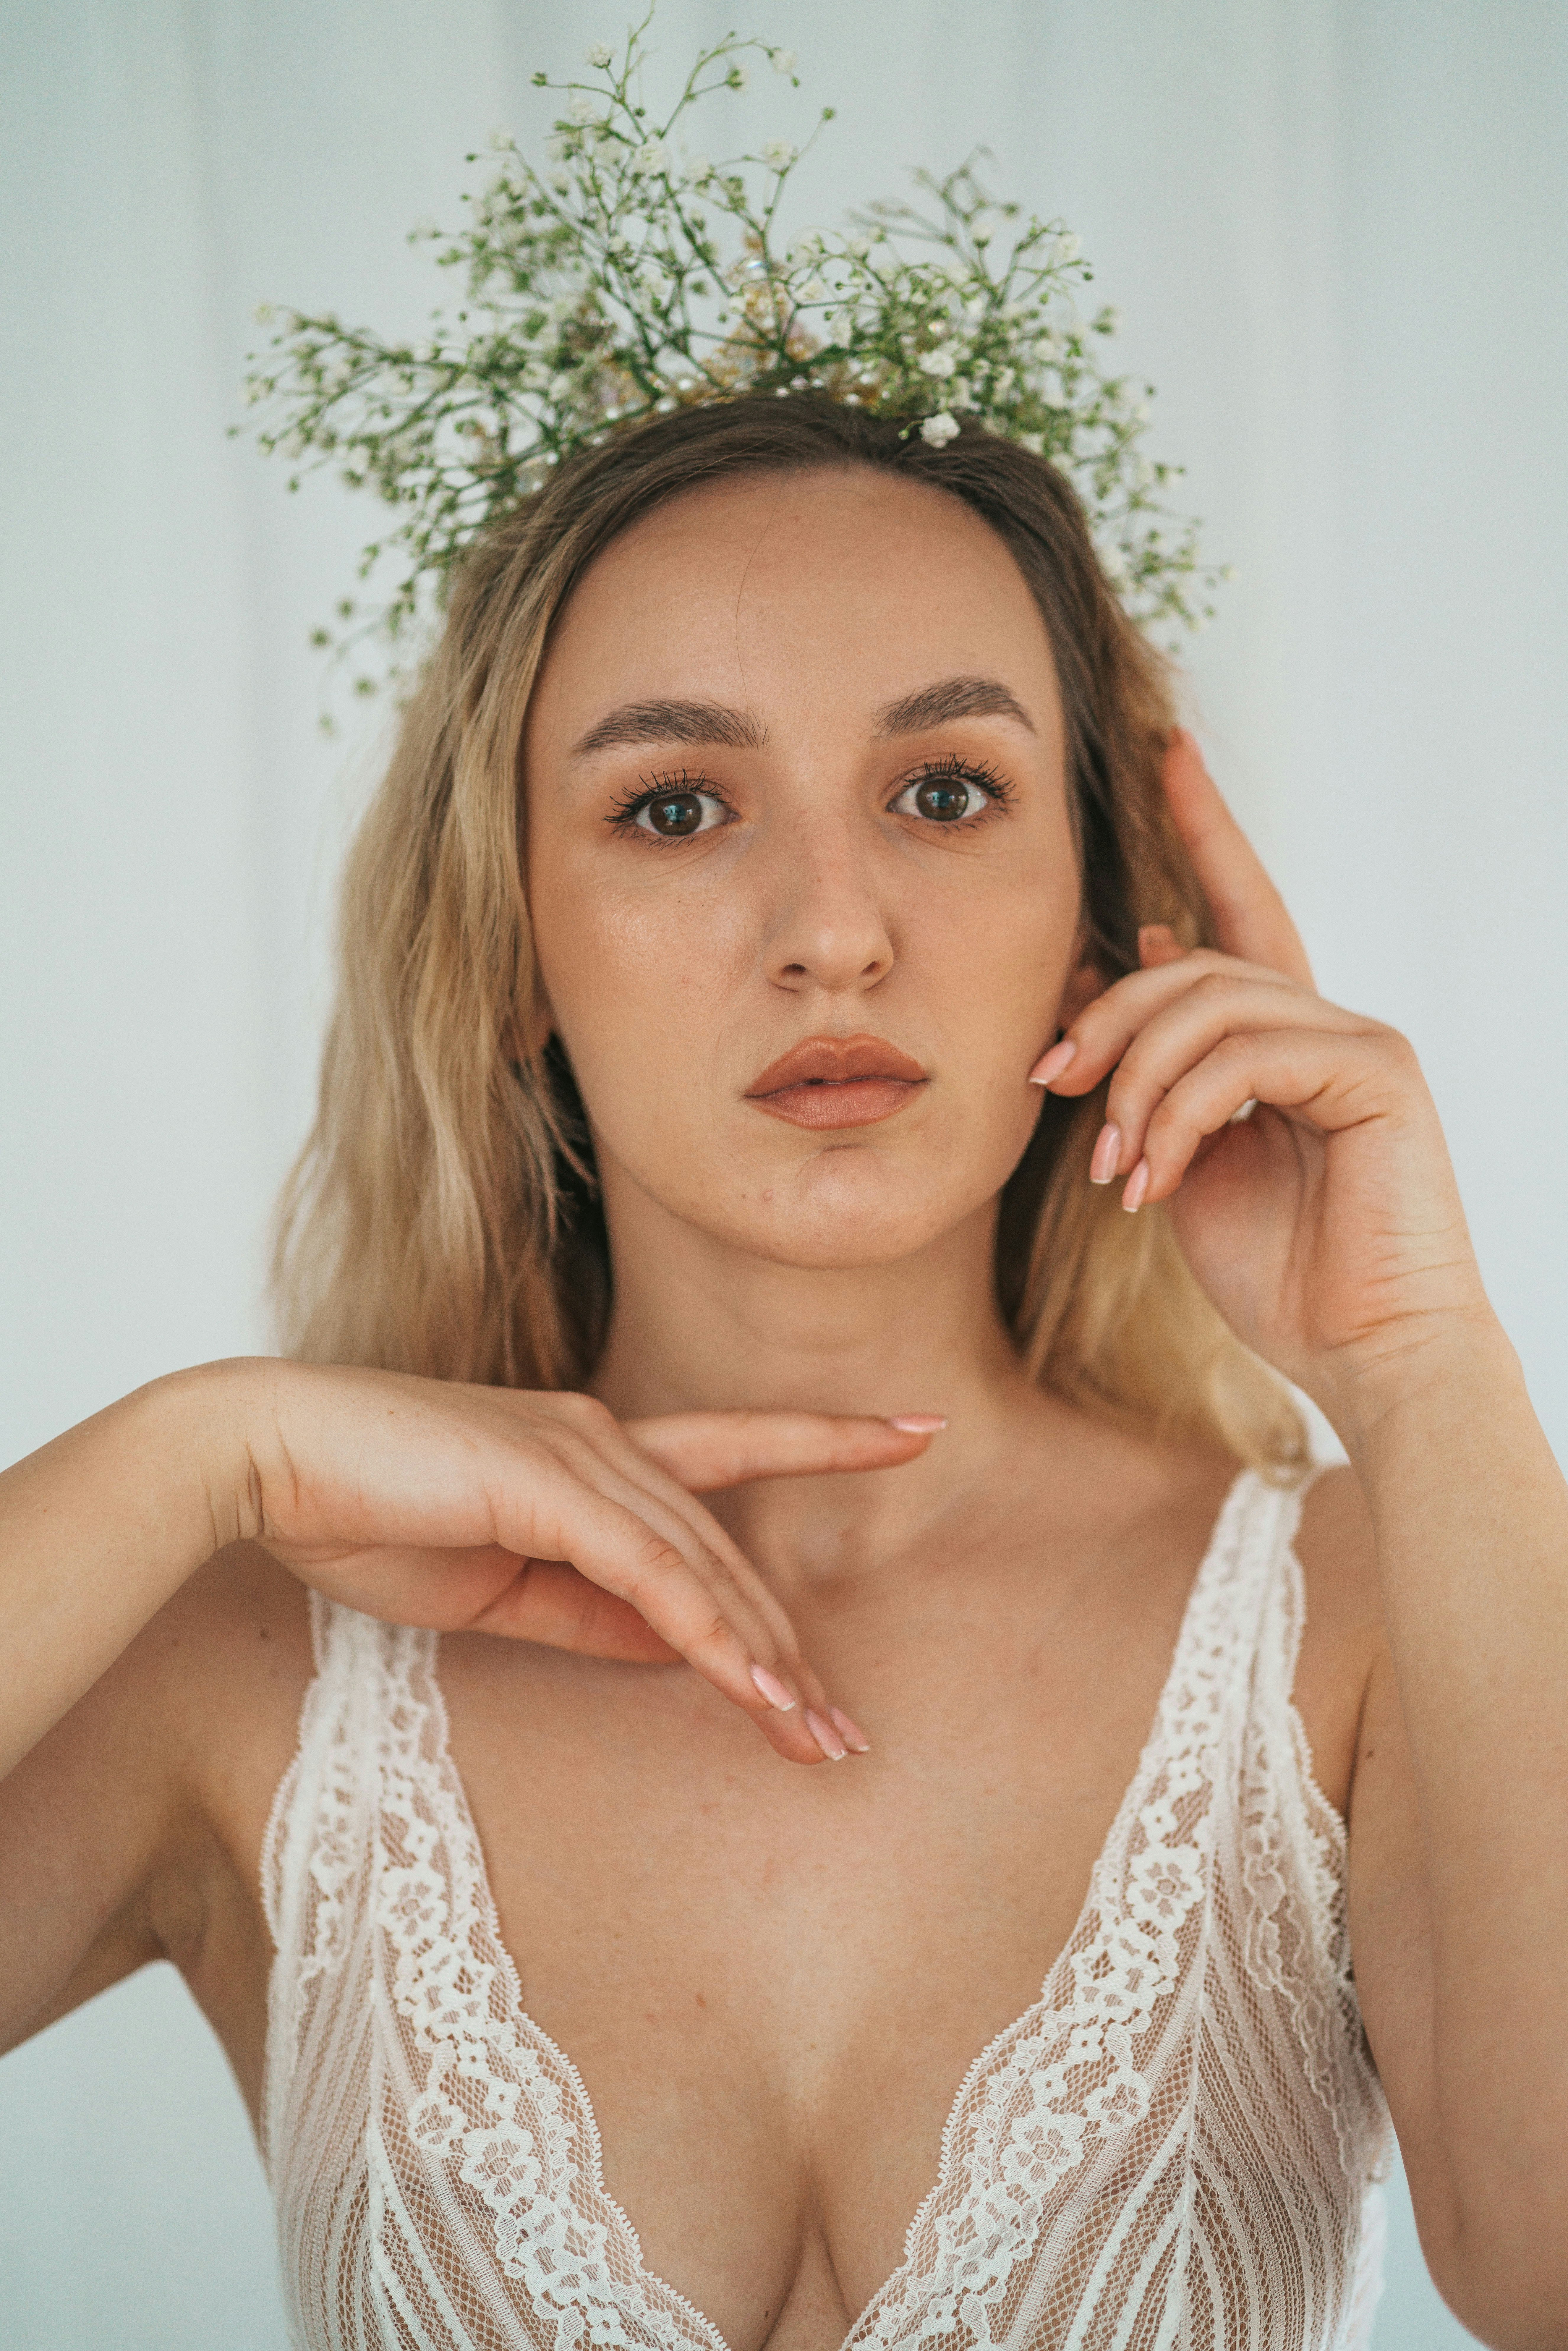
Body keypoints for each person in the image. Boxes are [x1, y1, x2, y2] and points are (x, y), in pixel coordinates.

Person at [4, 375, 1568, 2351]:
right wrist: (193, 1454)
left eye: (943, 792)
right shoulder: (252, 1650)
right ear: (503, 956)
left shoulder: (1358, 1616)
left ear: (1104, 919)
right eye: (674, 807)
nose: (834, 933)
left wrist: (1423, 1365)